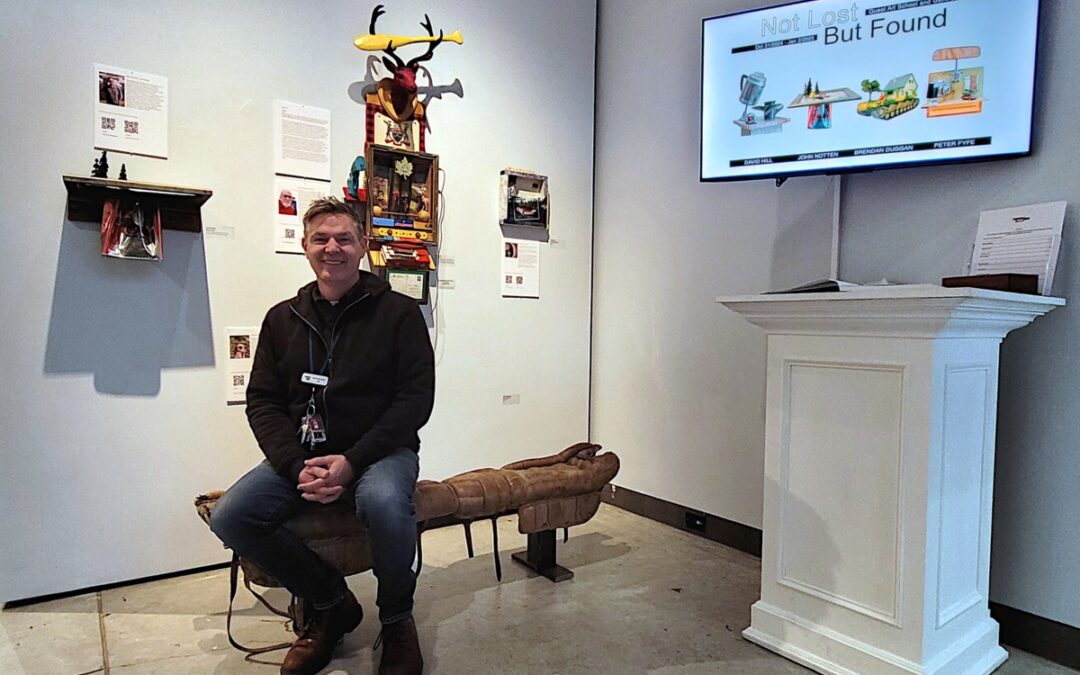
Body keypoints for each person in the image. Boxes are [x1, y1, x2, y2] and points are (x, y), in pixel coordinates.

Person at [210, 196, 434, 675]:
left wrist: (352, 461)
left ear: (363, 246)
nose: (333, 248)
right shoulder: (281, 319)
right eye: (321, 239)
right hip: (304, 455)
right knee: (232, 516)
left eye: (344, 238)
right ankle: (332, 602)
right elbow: (263, 402)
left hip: (380, 453)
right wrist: (295, 465)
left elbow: (415, 402)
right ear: (304, 246)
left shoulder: (399, 314)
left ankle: (396, 618)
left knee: (384, 503)